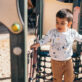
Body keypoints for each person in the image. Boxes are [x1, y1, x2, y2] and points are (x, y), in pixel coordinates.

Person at [30, 9, 82, 82]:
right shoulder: (52, 32)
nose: (59, 25)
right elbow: (45, 39)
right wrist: (38, 44)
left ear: (69, 24)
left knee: (70, 78)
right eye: (57, 22)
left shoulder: (72, 33)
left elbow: (80, 38)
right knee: (57, 79)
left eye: (62, 23)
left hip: (68, 60)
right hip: (55, 61)